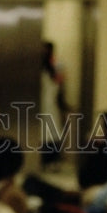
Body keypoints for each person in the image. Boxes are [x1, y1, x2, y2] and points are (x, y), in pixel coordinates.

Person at [39, 41, 69, 169]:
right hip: (45, 105)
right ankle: (48, 161)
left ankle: (51, 161)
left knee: (52, 133)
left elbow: (61, 87)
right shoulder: (50, 66)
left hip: (51, 105)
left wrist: (64, 107)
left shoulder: (57, 65)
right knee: (50, 133)